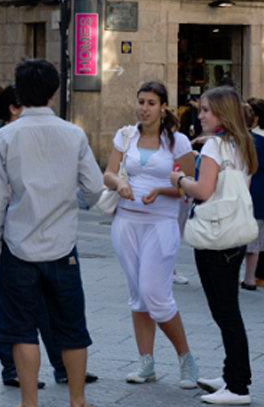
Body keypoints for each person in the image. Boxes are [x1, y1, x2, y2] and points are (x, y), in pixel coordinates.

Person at [0, 59, 102, 407]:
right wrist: (73, 202)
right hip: (63, 246)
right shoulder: (74, 134)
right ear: (54, 93)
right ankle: (78, 400)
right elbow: (95, 189)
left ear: (20, 94)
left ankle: (29, 402)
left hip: (19, 246)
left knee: (22, 329)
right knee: (71, 326)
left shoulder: (5, 135)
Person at [102, 80, 197, 388]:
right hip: (126, 223)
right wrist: (120, 184)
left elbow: (190, 186)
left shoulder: (179, 142)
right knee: (138, 296)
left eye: (151, 103)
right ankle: (147, 363)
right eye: (141, 101)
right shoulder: (125, 136)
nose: (144, 108)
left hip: (162, 223)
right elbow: (108, 173)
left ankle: (186, 359)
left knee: (155, 293)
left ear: (163, 106)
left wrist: (161, 189)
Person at [169, 86, 259, 406]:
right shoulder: (243, 144)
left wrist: (179, 180)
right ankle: (233, 374)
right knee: (228, 310)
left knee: (226, 313)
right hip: (235, 235)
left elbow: (203, 191)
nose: (201, 114)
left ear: (223, 112)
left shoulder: (212, 149)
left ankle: (237, 387)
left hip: (214, 238)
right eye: (201, 108)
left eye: (207, 109)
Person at [241, 100, 264, 292]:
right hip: (258, 191)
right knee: (256, 234)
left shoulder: (233, 141)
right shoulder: (261, 141)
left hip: (239, 189)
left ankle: (235, 276)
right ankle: (250, 278)